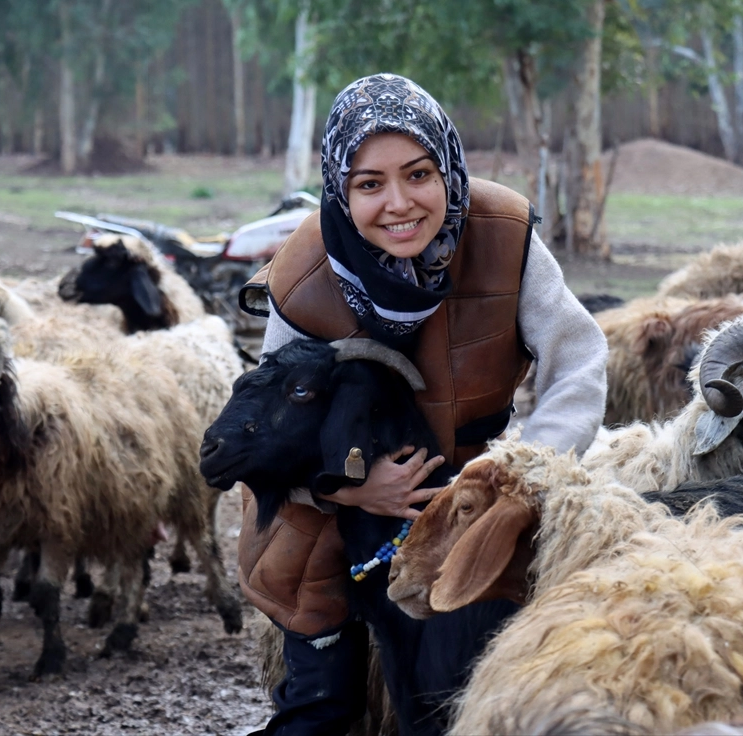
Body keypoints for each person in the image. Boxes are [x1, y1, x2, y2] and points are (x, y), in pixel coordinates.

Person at [237, 73, 607, 735]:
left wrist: (519, 470)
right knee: (322, 706)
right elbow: (271, 422)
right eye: (370, 184)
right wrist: (347, 489)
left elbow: (577, 360)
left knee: (473, 688)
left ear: (449, 169)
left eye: (418, 175)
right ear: (340, 188)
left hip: (481, 490)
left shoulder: (501, 234)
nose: (399, 204)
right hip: (338, 500)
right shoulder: (305, 272)